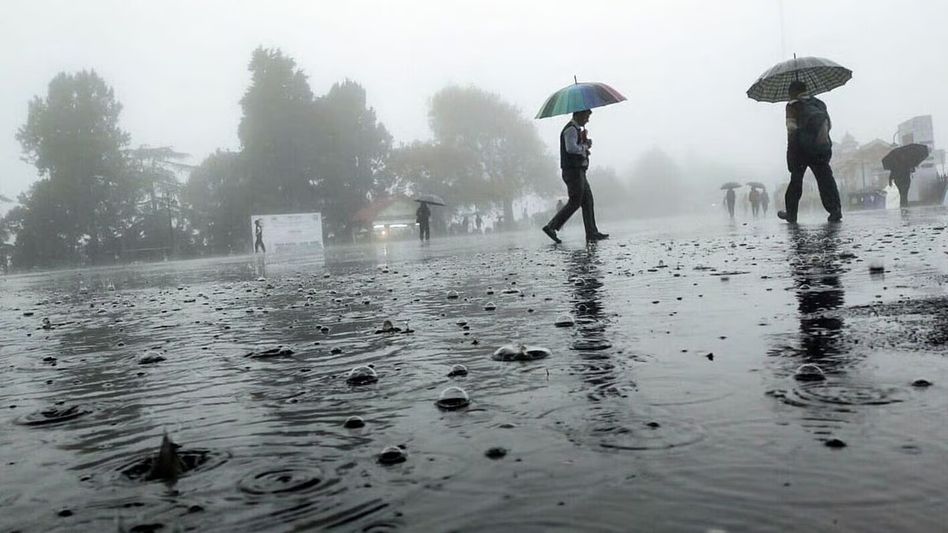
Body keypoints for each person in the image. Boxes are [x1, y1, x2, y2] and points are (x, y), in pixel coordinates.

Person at [778, 80, 842, 223]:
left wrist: (791, 153)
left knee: (796, 181)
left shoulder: (792, 106)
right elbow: (828, 125)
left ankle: (791, 214)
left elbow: (791, 129)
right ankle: (835, 210)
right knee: (826, 179)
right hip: (819, 149)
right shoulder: (819, 104)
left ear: (793, 92)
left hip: (800, 150)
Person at [542, 109, 608, 243]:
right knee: (575, 201)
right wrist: (584, 146)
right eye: (586, 116)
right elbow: (571, 148)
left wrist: (584, 142)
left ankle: (592, 232)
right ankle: (551, 226)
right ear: (579, 114)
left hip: (579, 171)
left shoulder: (576, 130)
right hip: (573, 171)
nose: (588, 119)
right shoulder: (571, 129)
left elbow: (576, 147)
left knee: (587, 200)